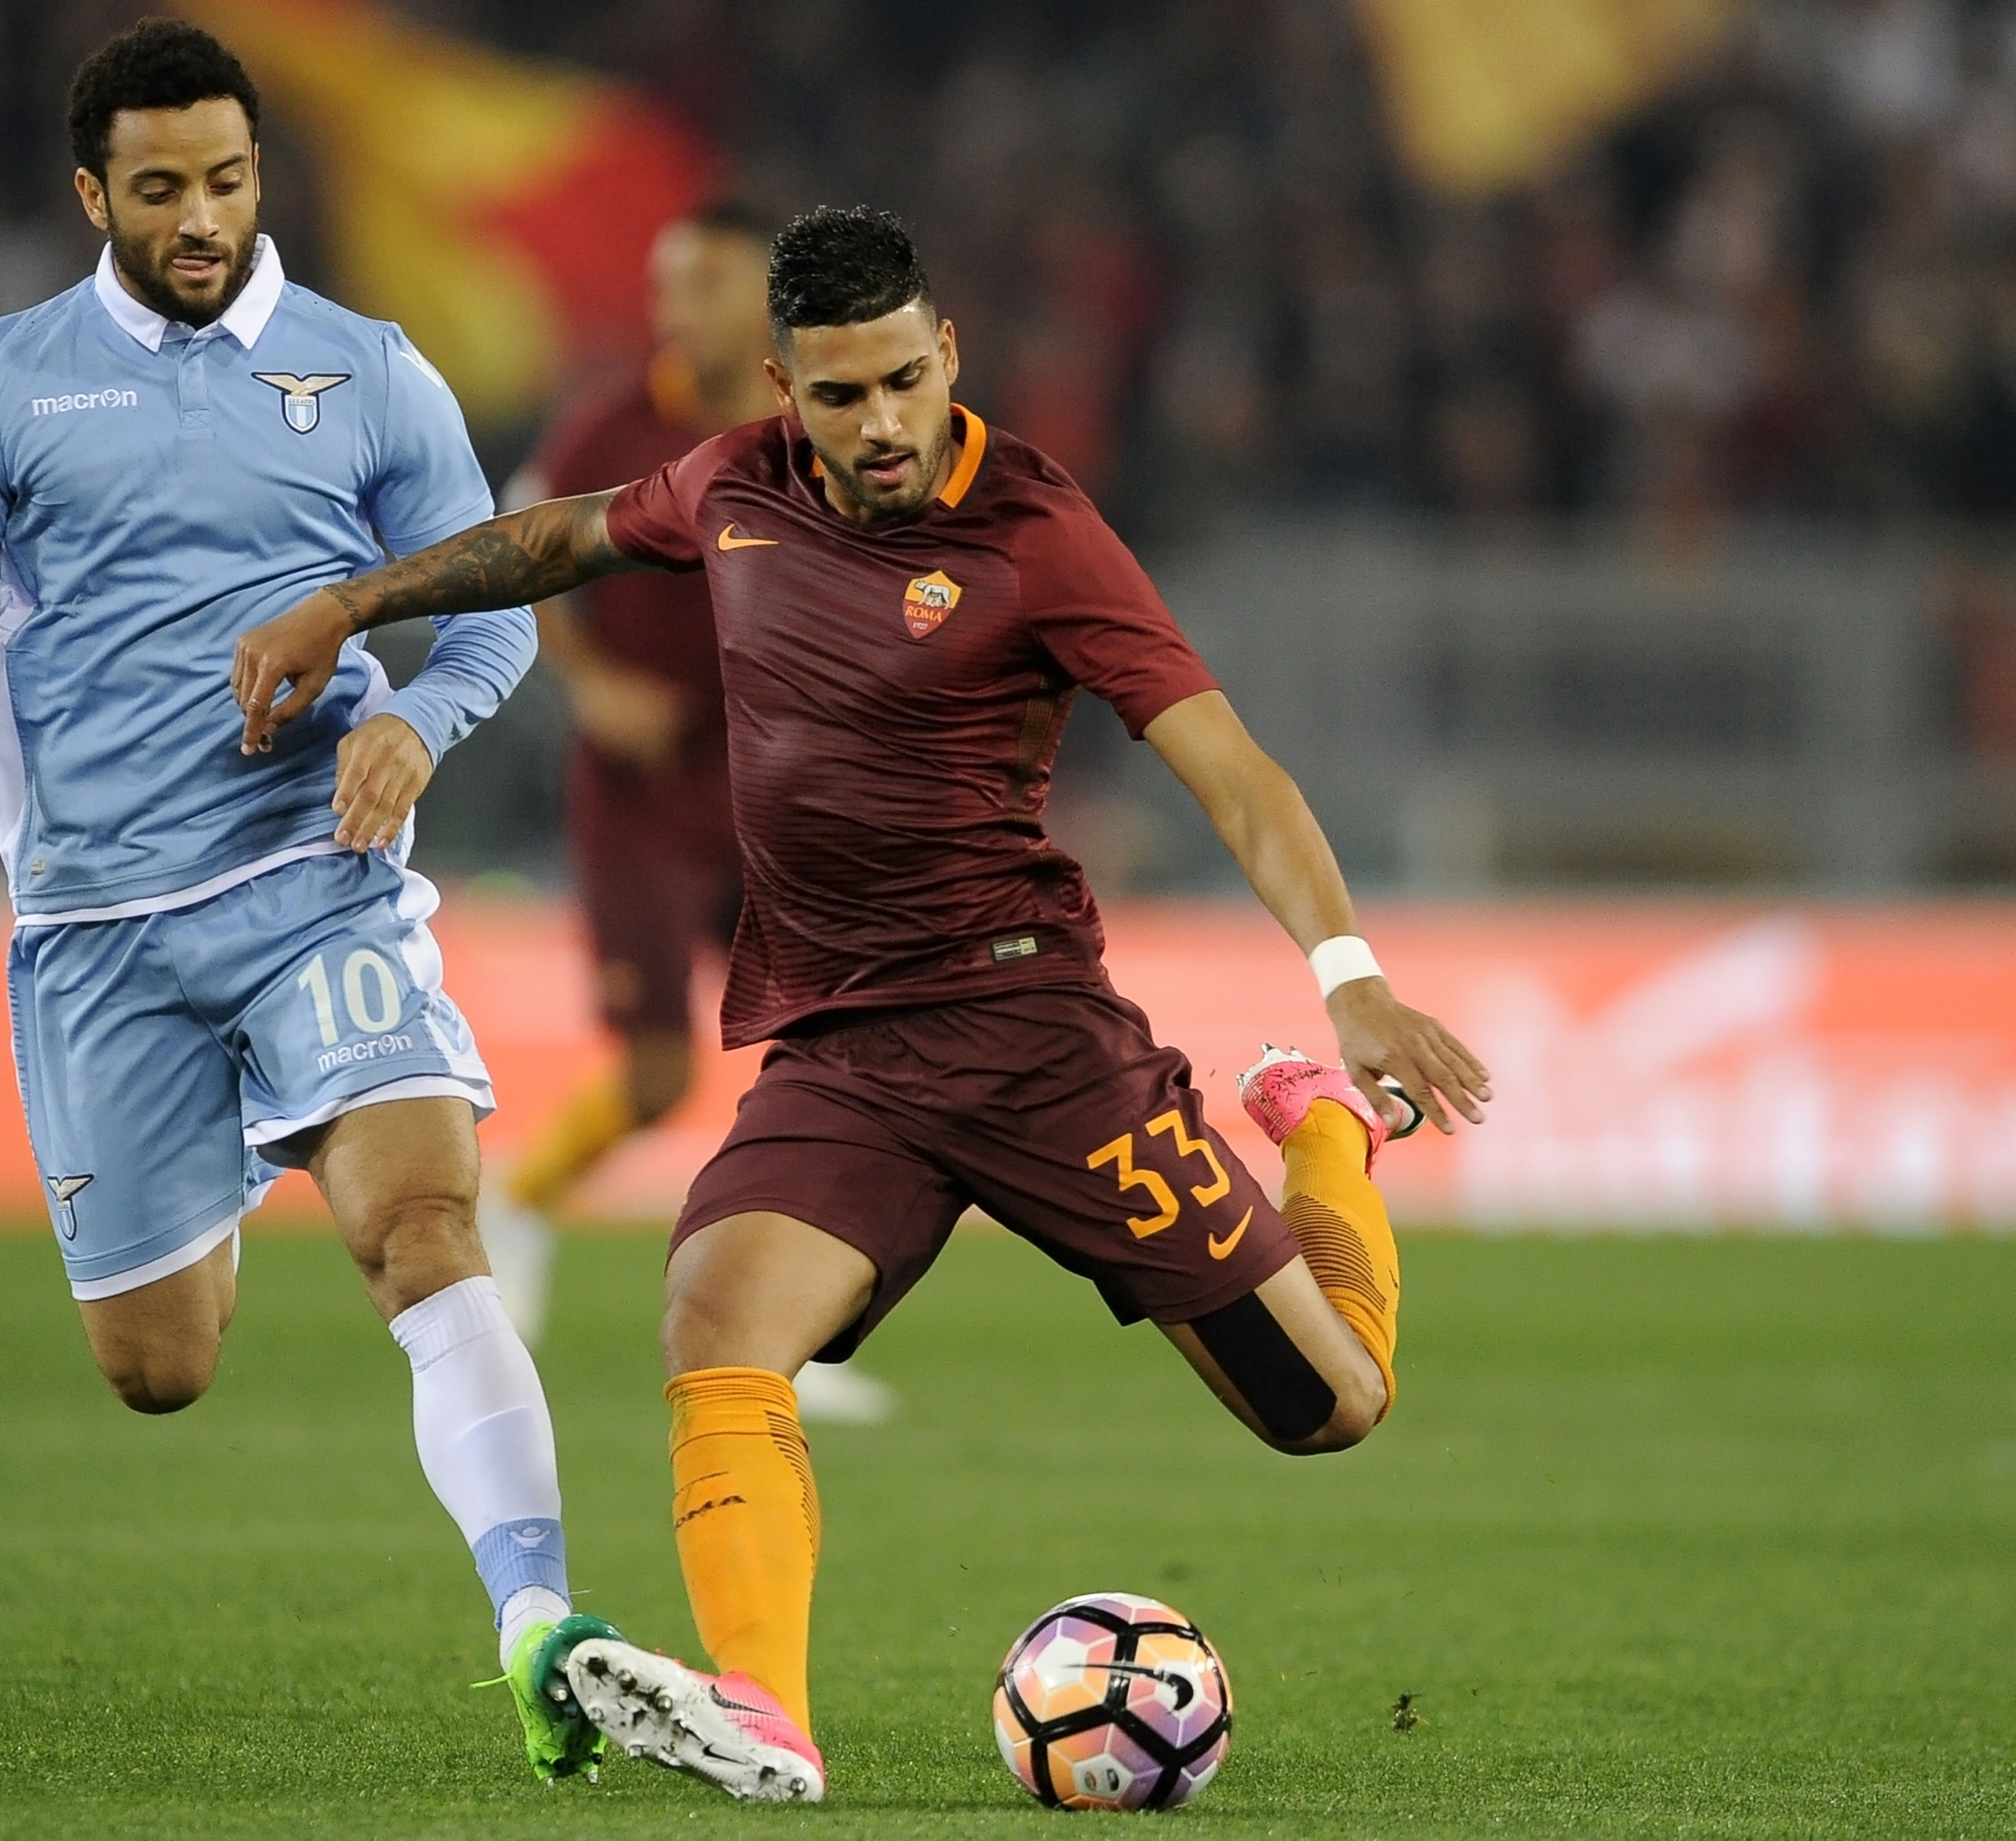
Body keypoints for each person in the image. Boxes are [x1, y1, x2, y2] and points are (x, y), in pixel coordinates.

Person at [228, 206, 1491, 1805]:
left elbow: (1229, 771)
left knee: (1331, 1411)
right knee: (711, 1318)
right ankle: (762, 1711)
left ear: (949, 350)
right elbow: (560, 540)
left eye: (905, 379)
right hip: (842, 1051)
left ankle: (1317, 1139)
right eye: (842, 396)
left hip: (1036, 1041)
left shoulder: (1038, 529)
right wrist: (355, 605)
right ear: (782, 387)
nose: (882, 423)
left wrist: (1349, 978)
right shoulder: (732, 485)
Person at [0, 20, 623, 1785]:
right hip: (99, 931)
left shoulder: (371, 370)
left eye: (231, 180)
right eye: (164, 188)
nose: (203, 218)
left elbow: (492, 610)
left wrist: (412, 720)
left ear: (266, 176)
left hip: (313, 892)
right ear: (93, 190)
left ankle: (540, 1623)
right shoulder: (5, 381)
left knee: (422, 1225)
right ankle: (248, 1142)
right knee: (159, 1368)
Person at [478, 200, 894, 1425]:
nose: (676, 308)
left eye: (702, 284)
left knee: (837, 1054)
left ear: (758, 304)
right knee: (659, 1080)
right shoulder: (607, 426)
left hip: (776, 793)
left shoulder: (801, 430)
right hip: (642, 804)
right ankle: (523, 1198)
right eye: (668, 285)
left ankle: (789, 1332)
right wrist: (595, 687)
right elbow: (525, 554)